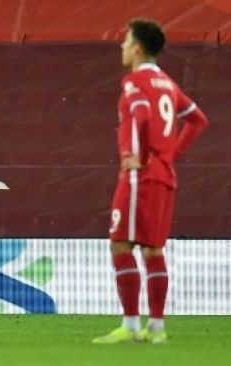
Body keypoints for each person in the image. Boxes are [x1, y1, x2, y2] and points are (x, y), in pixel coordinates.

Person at [93, 19, 208, 344]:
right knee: (154, 250)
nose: (122, 46)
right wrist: (170, 153)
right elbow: (198, 120)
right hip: (164, 175)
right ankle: (156, 328)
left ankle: (130, 325)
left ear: (138, 48)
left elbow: (142, 116)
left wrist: (141, 155)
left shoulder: (135, 82)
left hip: (138, 176)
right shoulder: (168, 83)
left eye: (126, 40)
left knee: (121, 243)